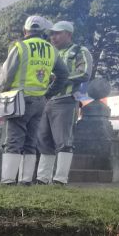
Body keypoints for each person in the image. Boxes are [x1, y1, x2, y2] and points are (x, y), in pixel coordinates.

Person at [0, 14, 68, 185]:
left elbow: (7, 75)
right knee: (31, 140)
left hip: (19, 98)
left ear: (25, 30)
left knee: (14, 138)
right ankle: (26, 180)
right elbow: (63, 75)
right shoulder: (52, 49)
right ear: (43, 31)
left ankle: (7, 180)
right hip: (40, 100)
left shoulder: (20, 47)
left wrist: (4, 91)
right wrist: (48, 93)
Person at [37, 20, 93, 185]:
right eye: (52, 33)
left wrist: (60, 77)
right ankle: (42, 177)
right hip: (45, 99)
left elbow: (84, 73)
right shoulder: (49, 52)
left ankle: (60, 178)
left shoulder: (79, 51)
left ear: (69, 34)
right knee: (44, 140)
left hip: (66, 100)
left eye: (58, 33)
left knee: (63, 141)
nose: (53, 37)